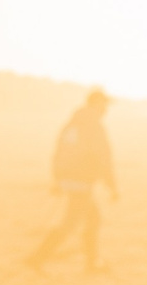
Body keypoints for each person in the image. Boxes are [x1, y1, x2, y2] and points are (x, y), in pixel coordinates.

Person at [25, 87, 119, 271]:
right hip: (82, 182)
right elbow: (103, 158)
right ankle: (37, 259)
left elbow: (59, 152)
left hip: (70, 180)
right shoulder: (93, 126)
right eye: (104, 104)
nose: (106, 108)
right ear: (96, 103)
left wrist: (58, 179)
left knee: (93, 219)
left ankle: (91, 262)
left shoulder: (72, 124)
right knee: (70, 223)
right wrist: (112, 186)